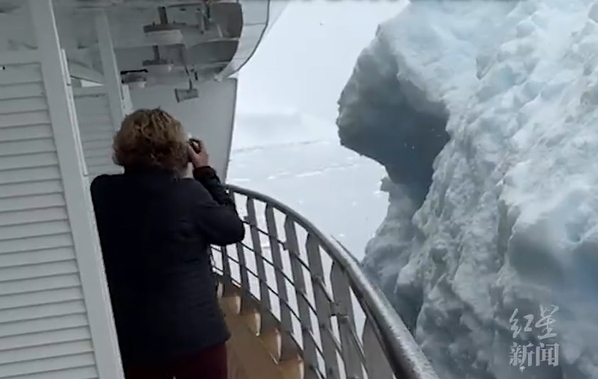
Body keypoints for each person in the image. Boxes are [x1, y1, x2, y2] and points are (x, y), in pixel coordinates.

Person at [90, 108, 245, 379]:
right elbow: (232, 230)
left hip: (134, 338)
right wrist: (205, 172)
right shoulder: (189, 195)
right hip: (196, 334)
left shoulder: (101, 191)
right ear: (177, 148)